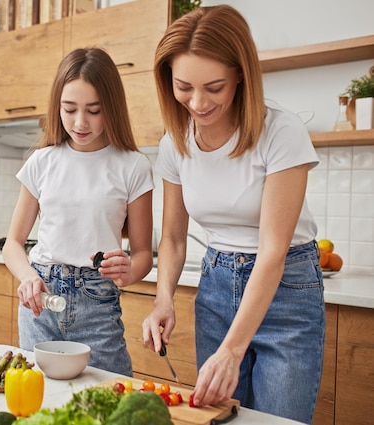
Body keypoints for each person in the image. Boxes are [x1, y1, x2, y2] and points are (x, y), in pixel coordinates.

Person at [141, 5, 323, 424]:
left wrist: (232, 350)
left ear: (241, 75)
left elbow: (273, 250)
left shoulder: (281, 131)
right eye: (183, 87)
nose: (198, 102)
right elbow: (171, 238)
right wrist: (163, 300)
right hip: (216, 285)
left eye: (214, 87)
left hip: (287, 291)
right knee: (221, 418)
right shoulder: (176, 142)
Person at [2, 47, 154, 376]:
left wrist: (129, 271)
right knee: (39, 403)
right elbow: (12, 243)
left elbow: (143, 254)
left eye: (94, 110)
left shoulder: (133, 166)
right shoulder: (42, 162)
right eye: (69, 109)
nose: (80, 122)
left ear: (111, 108)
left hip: (97, 304)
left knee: (107, 405)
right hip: (40, 302)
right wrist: (28, 277)